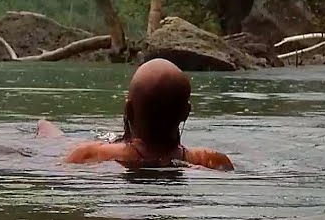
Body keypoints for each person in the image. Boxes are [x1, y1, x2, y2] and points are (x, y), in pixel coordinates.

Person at [37, 58, 234, 171]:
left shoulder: (89, 154)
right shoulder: (212, 161)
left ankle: (43, 125)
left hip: (107, 150)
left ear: (128, 110)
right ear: (186, 113)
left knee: (51, 134)